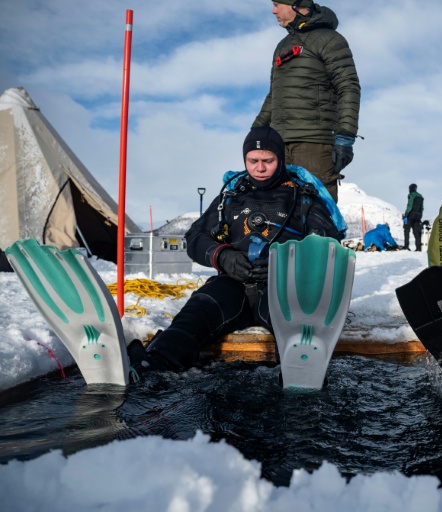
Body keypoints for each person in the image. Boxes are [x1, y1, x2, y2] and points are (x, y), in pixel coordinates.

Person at [127, 127, 344, 375]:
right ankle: (152, 366)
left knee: (298, 329)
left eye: (268, 161)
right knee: (197, 310)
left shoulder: (303, 197)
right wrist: (222, 256)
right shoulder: (231, 196)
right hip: (233, 285)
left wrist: (286, 266)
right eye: (253, 161)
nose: (259, 168)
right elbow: (195, 237)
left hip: (283, 287)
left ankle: (302, 376)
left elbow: (329, 248)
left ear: (281, 159)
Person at [252, 0, 361, 203]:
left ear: (295, 5)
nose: (273, 11)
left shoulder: (329, 40)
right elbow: (274, 94)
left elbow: (348, 86)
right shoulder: (282, 46)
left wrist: (345, 136)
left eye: (277, 4)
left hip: (314, 144)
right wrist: (256, 130)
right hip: (278, 145)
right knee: (278, 212)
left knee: (316, 212)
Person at [403, 184, 424, 251]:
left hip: (410, 215)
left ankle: (406, 246)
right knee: (417, 232)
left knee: (406, 230)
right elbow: (421, 208)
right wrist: (420, 215)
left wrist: (406, 213)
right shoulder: (420, 196)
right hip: (418, 216)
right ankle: (418, 247)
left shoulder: (411, 195)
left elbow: (410, 205)